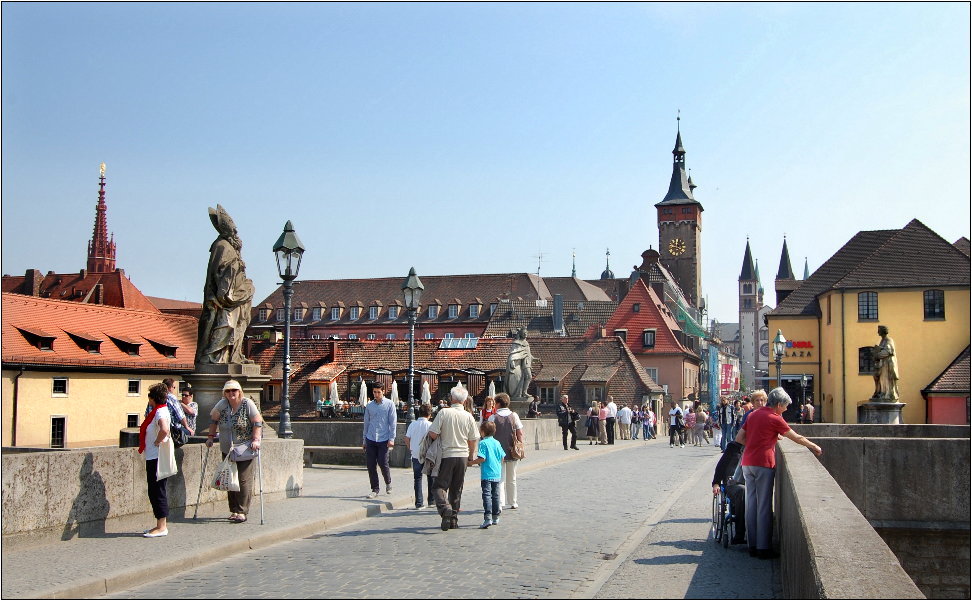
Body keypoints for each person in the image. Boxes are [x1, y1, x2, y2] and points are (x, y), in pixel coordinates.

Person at [736, 387, 822, 560]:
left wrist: (755, 444)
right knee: (764, 506)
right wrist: (814, 446)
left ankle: (752, 545)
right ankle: (763, 548)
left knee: (751, 504)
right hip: (764, 463)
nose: (786, 409)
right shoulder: (775, 418)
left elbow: (739, 438)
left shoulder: (753, 415)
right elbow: (797, 437)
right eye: (785, 406)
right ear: (779, 404)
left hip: (748, 463)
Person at [196, 204, 255, 365]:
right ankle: (215, 356)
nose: (236, 232)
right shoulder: (221, 246)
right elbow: (218, 273)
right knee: (225, 324)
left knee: (238, 325)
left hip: (236, 296)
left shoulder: (230, 246)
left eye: (236, 229)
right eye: (233, 230)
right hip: (224, 298)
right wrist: (236, 266)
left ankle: (234, 355)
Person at [205, 379, 263, 523]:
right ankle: (234, 510)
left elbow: (257, 422)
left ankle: (242, 511)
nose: (231, 393)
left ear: (239, 392)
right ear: (224, 393)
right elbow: (214, 420)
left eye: (234, 391)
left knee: (243, 480)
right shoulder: (222, 404)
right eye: (228, 391)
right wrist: (210, 437)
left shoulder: (247, 404)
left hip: (244, 448)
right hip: (228, 448)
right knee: (230, 479)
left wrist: (256, 439)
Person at [428, 384, 479, 531]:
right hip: (462, 455)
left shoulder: (444, 413)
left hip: (446, 455)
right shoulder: (468, 416)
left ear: (451, 399)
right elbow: (473, 439)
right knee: (457, 489)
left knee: (438, 486)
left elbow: (433, 433)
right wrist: (470, 456)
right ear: (464, 401)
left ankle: (445, 510)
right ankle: (454, 521)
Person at [139, 383, 171, 537]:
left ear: (152, 398)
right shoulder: (162, 410)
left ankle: (162, 526)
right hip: (156, 456)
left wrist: (157, 441)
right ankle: (159, 525)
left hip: (156, 456)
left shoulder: (159, 413)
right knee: (157, 490)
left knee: (157, 491)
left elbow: (164, 429)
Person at [490, 393, 525, 508]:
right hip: (512, 450)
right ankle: (513, 502)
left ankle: (500, 503)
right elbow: (519, 432)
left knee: (499, 479)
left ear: (498, 403)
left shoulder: (493, 417)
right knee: (512, 477)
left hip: (497, 452)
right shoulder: (514, 416)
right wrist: (520, 445)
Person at [469, 420, 506, 528]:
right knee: (495, 495)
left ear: (482, 432)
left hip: (487, 474)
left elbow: (482, 458)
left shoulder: (483, 443)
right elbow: (502, 457)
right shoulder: (497, 442)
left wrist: (470, 462)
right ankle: (495, 517)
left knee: (486, 495)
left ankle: (487, 518)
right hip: (496, 473)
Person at [362, 382, 396, 498]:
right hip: (371, 438)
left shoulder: (389, 404)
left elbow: (393, 423)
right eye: (374, 392)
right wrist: (364, 440)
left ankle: (388, 482)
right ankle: (375, 489)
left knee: (382, 462)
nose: (376, 394)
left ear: (383, 392)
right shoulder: (369, 406)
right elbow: (366, 423)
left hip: (383, 438)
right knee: (371, 465)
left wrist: (392, 438)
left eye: (378, 392)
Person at [711, 440, 747, 545]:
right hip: (732, 484)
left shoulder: (757, 446)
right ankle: (739, 535)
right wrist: (716, 483)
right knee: (742, 491)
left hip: (751, 482)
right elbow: (721, 466)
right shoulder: (733, 447)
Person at [405, 404, 434, 509]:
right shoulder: (431, 425)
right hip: (428, 455)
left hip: (416, 454)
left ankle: (419, 503)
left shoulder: (412, 424)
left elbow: (407, 438)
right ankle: (431, 500)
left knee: (417, 478)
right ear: (429, 414)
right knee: (430, 477)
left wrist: (411, 448)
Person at [872, 325, 900, 401]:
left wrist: (877, 355)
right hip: (882, 364)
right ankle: (881, 393)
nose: (878, 332)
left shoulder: (889, 340)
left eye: (879, 330)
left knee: (885, 379)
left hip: (887, 364)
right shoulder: (882, 341)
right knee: (880, 378)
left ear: (883, 331)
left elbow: (889, 351)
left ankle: (887, 394)